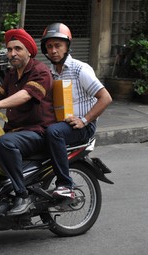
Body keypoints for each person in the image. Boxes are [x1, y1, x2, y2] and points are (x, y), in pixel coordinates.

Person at [0, 28, 56, 215]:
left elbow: (24, 95)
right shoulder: (12, 74)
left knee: (4, 143)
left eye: (18, 49)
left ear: (29, 51)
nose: (12, 53)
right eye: (9, 49)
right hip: (16, 130)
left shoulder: (40, 71)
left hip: (38, 131)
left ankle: (22, 195)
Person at [40, 22, 112, 198]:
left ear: (67, 47)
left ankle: (66, 184)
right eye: (49, 46)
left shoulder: (80, 69)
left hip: (82, 126)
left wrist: (84, 120)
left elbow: (106, 98)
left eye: (58, 45)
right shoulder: (50, 72)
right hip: (62, 123)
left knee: (53, 132)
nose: (54, 50)